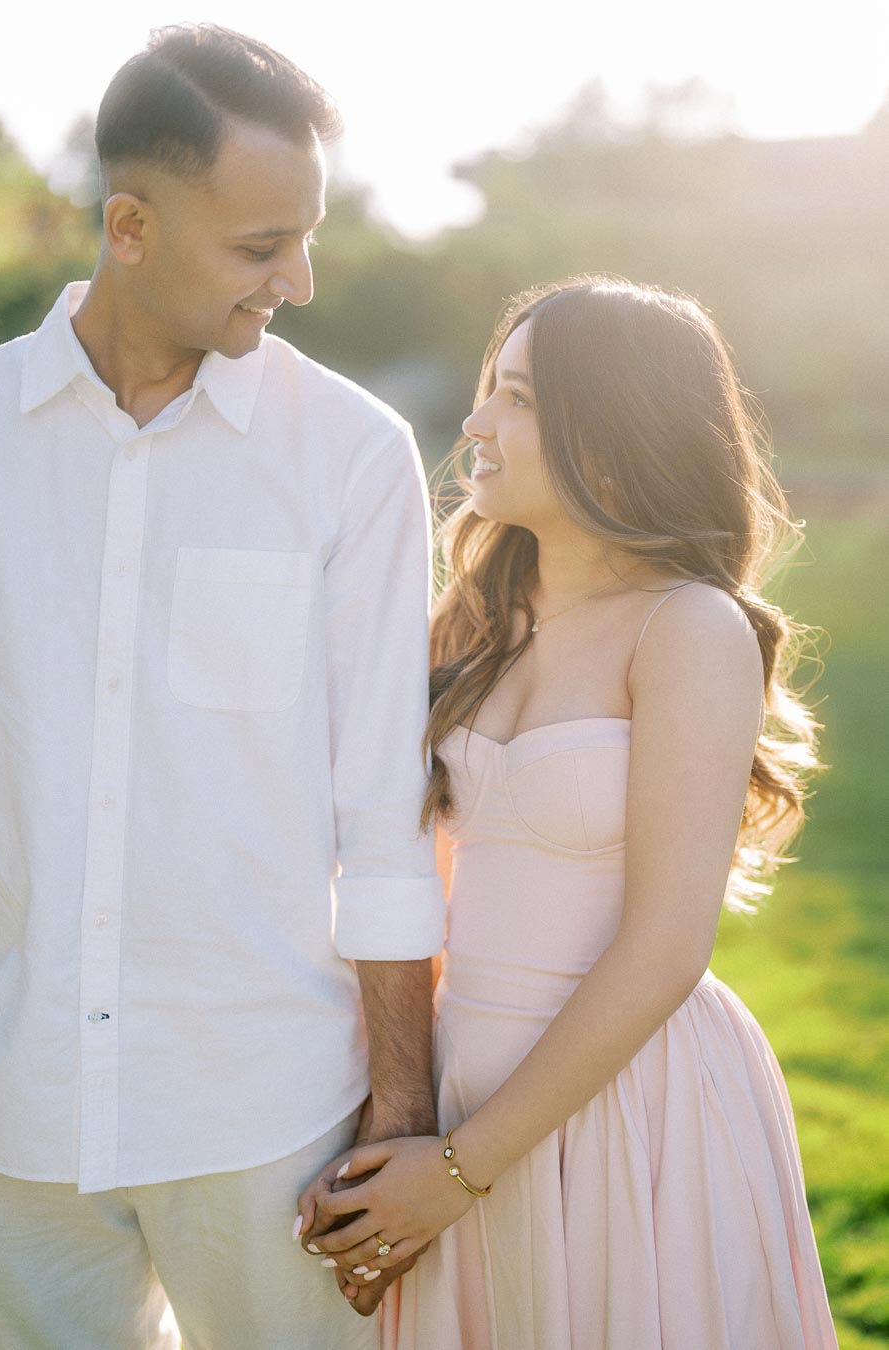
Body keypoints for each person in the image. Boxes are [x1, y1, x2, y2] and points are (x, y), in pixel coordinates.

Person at [0, 24, 446, 1350]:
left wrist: (402, 1110)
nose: (297, 280)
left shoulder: (353, 457)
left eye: (306, 239)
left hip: (267, 1112)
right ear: (129, 227)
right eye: (261, 247)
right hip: (17, 1106)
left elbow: (383, 811)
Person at [296, 275, 840, 1349]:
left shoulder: (687, 628)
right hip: (462, 1078)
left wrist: (460, 1171)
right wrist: (403, 1108)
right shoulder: (474, 620)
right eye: (490, 388)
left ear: (613, 435)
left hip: (625, 1098)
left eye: (519, 398)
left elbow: (666, 948)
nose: (475, 424)